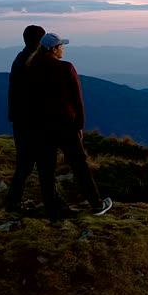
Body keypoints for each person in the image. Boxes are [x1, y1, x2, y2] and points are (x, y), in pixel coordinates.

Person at [26, 32, 112, 220]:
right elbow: (77, 100)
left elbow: (30, 100)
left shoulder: (32, 68)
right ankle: (97, 205)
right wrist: (79, 125)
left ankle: (51, 211)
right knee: (79, 165)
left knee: (46, 169)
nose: (63, 48)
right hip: (65, 124)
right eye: (61, 46)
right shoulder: (66, 68)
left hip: (41, 126)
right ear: (54, 49)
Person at [4, 24, 46, 213]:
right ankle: (15, 203)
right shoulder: (33, 62)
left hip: (20, 119)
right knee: (40, 163)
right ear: (41, 41)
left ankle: (13, 202)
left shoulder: (20, 58)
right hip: (31, 120)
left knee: (26, 163)